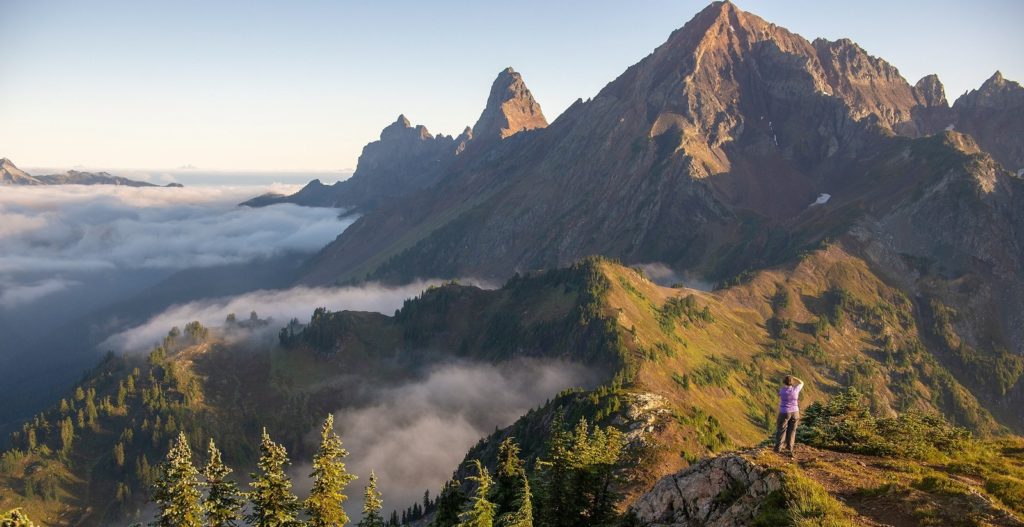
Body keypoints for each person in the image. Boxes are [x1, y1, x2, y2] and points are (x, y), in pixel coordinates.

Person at [774, 375, 803, 456]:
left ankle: (778, 449)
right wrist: (794, 378)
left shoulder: (782, 391)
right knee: (792, 430)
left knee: (781, 430)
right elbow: (802, 382)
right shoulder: (796, 389)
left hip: (784, 412)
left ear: (784, 382)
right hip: (795, 412)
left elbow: (779, 395)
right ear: (792, 382)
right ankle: (789, 448)